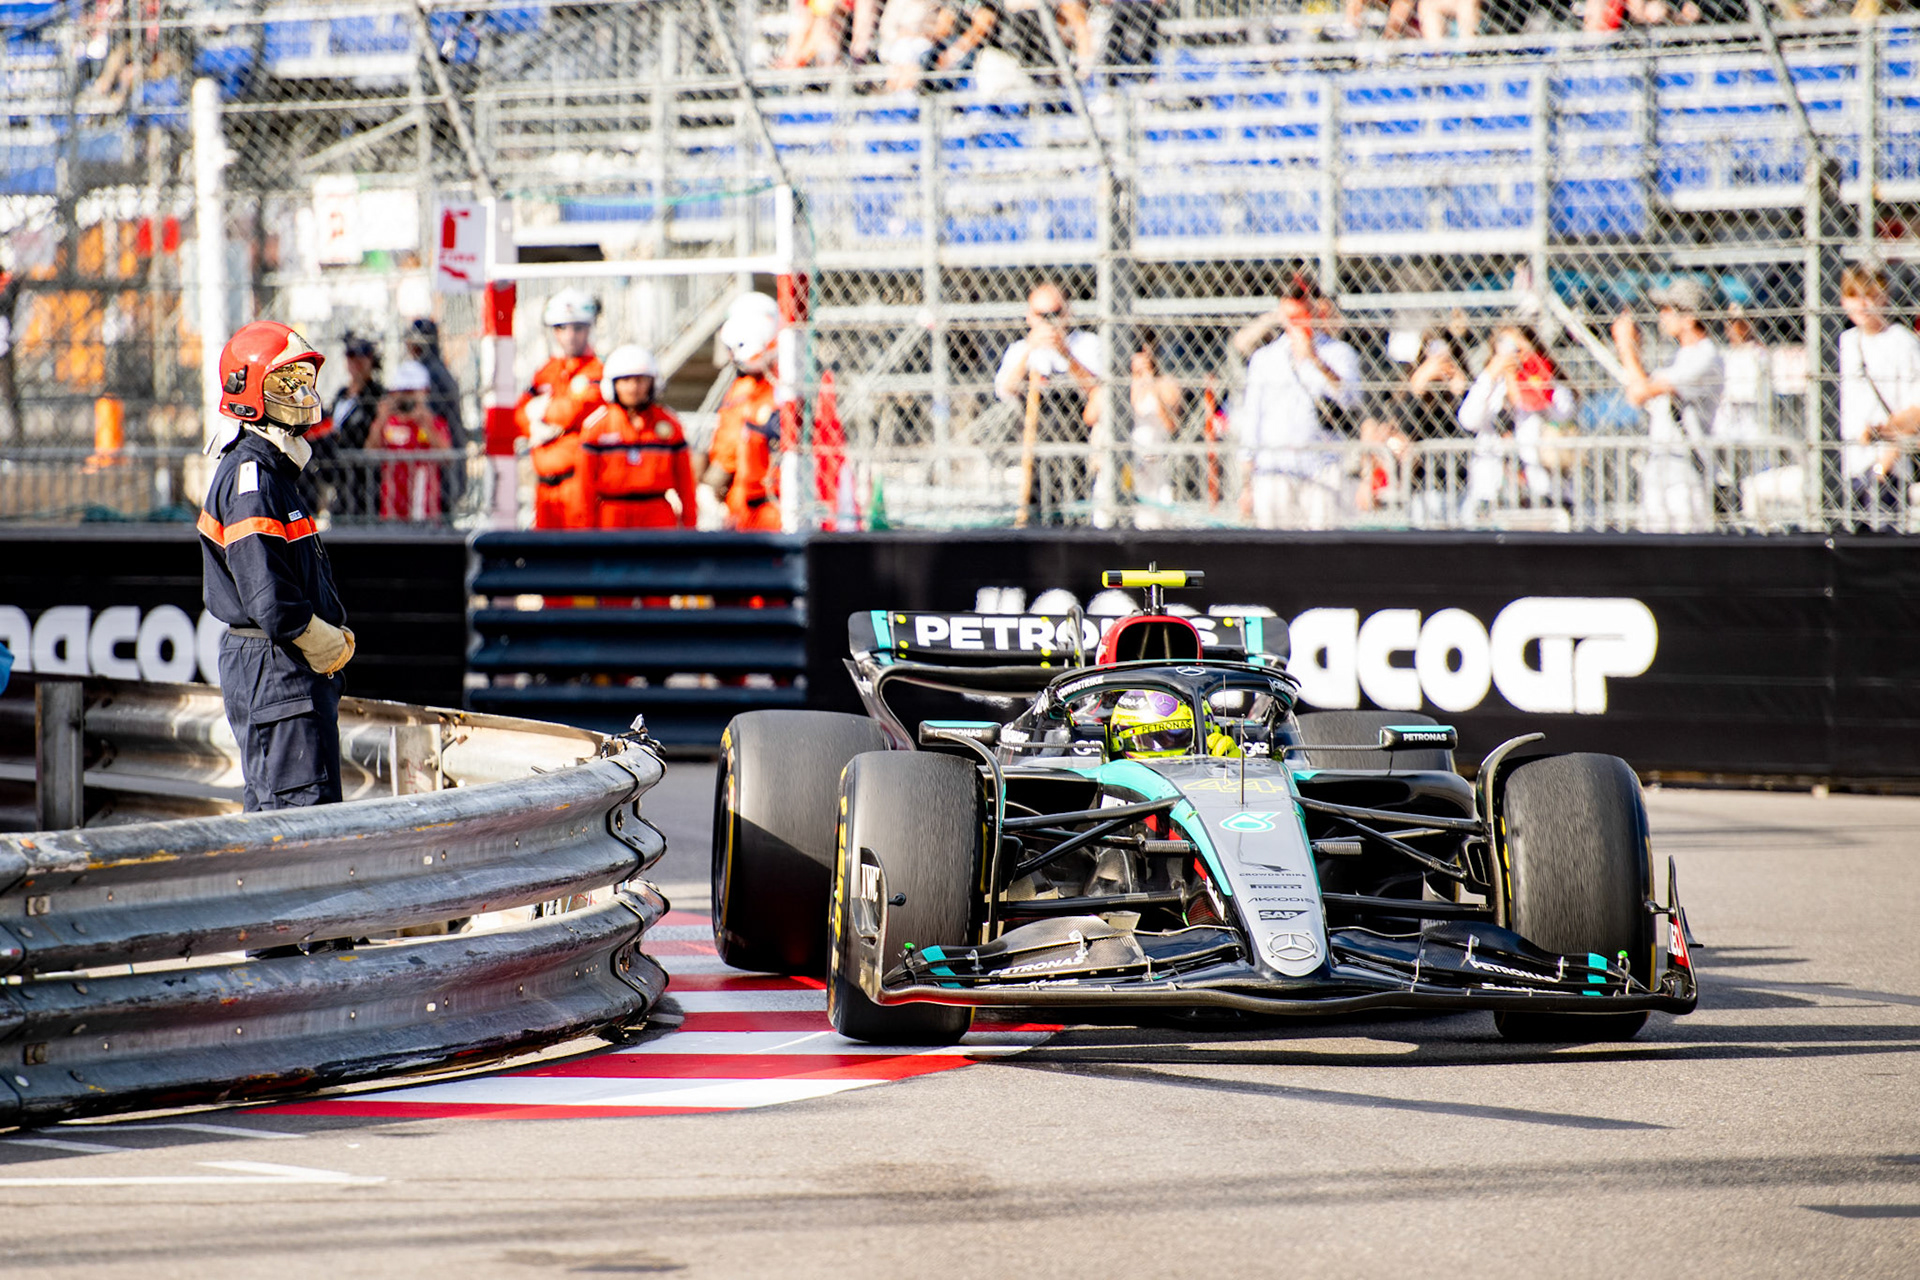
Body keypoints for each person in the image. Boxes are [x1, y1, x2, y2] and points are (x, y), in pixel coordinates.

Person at [198, 320, 353, 812]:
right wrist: (313, 634)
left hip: (280, 665)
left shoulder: (272, 472)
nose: (303, 393)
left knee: (291, 808)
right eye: (287, 383)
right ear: (248, 390)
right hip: (275, 664)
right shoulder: (253, 479)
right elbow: (266, 593)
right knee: (299, 817)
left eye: (305, 381)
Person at [1230, 276, 1362, 529]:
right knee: (1275, 552)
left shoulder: (1338, 353)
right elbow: (1253, 419)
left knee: (1322, 550)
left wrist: (1314, 359)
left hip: (1321, 465)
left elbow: (1350, 398)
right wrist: (1247, 484)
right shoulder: (1265, 359)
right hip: (1274, 469)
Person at [1612, 278, 1723, 532]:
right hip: (1662, 466)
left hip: (1686, 473)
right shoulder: (1679, 355)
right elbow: (1639, 392)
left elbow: (1640, 392)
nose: (1662, 316)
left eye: (1668, 310)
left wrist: (1625, 346)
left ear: (1689, 317)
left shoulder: (1706, 356)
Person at [994, 282, 1104, 524]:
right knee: (1036, 511)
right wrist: (1031, 350)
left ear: (1068, 313)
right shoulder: (1020, 349)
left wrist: (1065, 354)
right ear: (1029, 316)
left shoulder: (1086, 344)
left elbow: (1098, 392)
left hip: (1078, 443)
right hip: (1035, 444)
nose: (1049, 322)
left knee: (1078, 513)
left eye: (1055, 314)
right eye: (1042, 315)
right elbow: (1004, 389)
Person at [1458, 324, 1574, 515]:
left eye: (1519, 347)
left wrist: (1532, 373)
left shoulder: (1547, 382)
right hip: (1493, 489)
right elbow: (1468, 418)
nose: (1514, 354)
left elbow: (1564, 410)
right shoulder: (1491, 388)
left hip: (1540, 489)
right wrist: (1491, 373)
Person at [1837, 263, 1920, 526]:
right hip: (1848, 462)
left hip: (1887, 466)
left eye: (1870, 295)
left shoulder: (1901, 341)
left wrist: (1886, 459)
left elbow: (1915, 407)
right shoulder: (1844, 342)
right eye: (1854, 296)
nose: (1862, 304)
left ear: (1884, 297)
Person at [516, 289, 605, 530]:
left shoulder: (596, 370)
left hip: (578, 484)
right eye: (562, 328)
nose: (570, 336)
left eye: (578, 328)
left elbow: (574, 410)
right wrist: (540, 422)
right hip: (544, 486)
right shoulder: (547, 371)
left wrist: (541, 412)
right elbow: (520, 415)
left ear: (588, 329)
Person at [584, 345, 698, 529]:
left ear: (652, 383)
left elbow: (686, 484)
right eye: (626, 380)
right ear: (612, 384)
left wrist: (690, 526)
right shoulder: (597, 428)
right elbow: (584, 488)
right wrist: (584, 534)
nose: (633, 388)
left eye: (640, 380)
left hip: (657, 514)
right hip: (612, 515)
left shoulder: (670, 425)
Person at [703, 293, 786, 532]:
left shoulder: (770, 388)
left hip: (763, 498)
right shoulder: (750, 385)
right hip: (746, 496)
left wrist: (713, 480)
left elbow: (731, 448)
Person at [309, 331, 382, 519]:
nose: (356, 362)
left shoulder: (375, 395)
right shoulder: (342, 394)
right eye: (351, 356)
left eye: (361, 356)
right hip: (339, 468)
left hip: (363, 474)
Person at [372, 360, 454, 523]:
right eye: (402, 391)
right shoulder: (389, 423)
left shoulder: (434, 423)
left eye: (411, 392)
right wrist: (381, 419)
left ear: (424, 392)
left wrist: (426, 423)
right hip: (392, 509)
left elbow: (447, 456)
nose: (406, 397)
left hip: (424, 509)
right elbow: (370, 450)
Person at [1128, 336, 1182, 525]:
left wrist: (1149, 381)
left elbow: (1170, 424)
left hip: (1157, 462)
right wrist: (1135, 380)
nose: (1143, 356)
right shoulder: (1118, 384)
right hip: (1128, 463)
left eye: (1148, 350)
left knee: (1156, 521)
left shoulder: (1166, 383)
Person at [1105, 690, 1240, 760]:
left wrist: (1237, 772)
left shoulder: (1220, 760)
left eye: (1180, 736)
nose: (1168, 750)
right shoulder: (1109, 786)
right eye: (1152, 737)